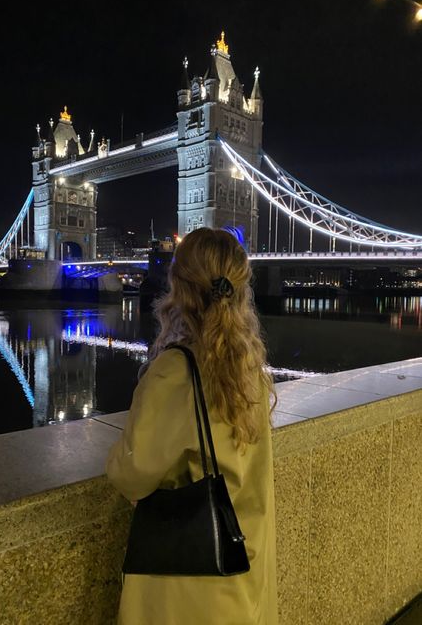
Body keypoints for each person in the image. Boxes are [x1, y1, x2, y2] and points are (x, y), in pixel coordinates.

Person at [106, 227, 278, 625]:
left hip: (189, 587)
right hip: (243, 573)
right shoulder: (250, 367)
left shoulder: (176, 371)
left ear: (178, 289)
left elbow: (132, 474)